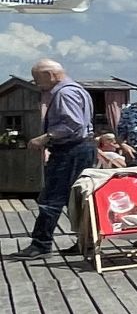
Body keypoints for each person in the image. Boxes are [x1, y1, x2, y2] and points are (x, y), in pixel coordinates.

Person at [16, 58, 94, 258]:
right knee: (80, 199)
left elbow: (71, 125)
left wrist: (45, 137)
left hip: (69, 151)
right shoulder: (78, 89)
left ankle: (41, 244)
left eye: (36, 78)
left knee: (51, 198)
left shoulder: (65, 93)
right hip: (82, 149)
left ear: (49, 75)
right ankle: (87, 242)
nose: (35, 83)